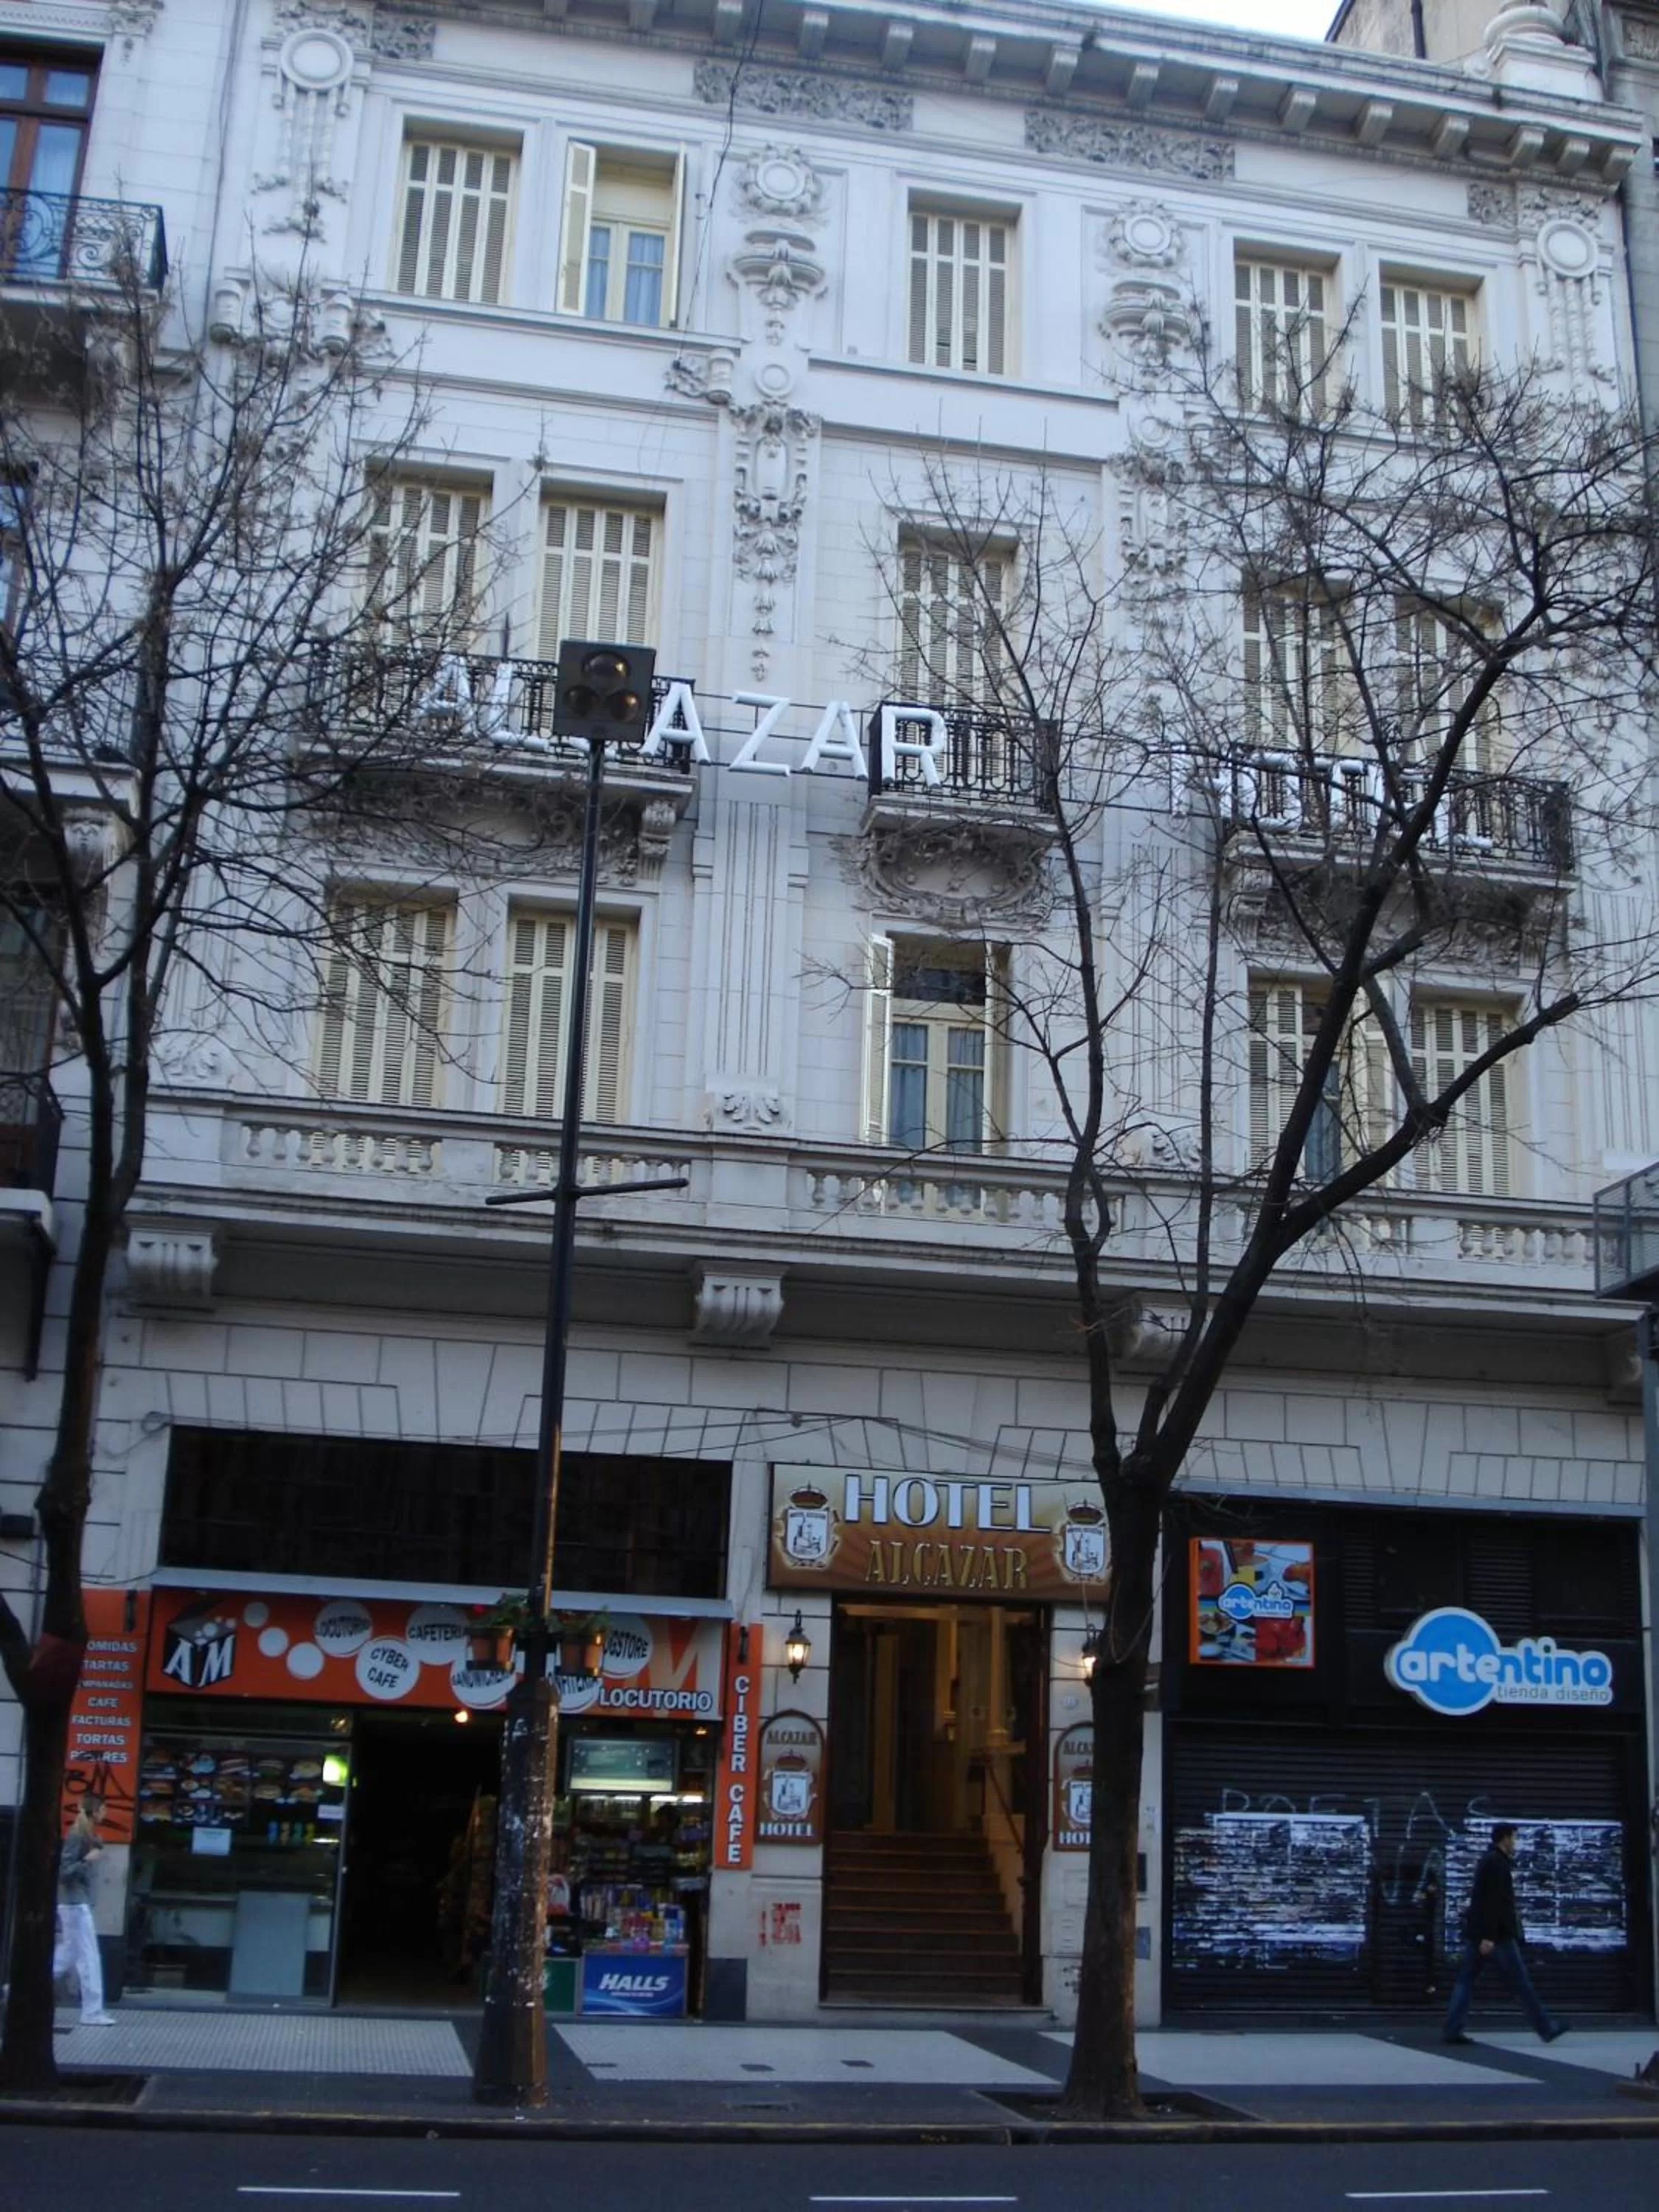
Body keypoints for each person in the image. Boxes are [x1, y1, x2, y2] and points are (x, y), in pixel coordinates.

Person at [1443, 1820, 1564, 2047]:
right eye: (1514, 1838)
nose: (1515, 1843)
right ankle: (1547, 2028)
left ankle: (1452, 2029)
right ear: (1505, 1839)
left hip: (1483, 1934)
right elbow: (1493, 1903)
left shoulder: (1490, 1861)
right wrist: (1488, 1937)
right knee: (1521, 1983)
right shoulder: (1497, 1863)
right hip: (1497, 1937)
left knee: (1466, 1980)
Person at [54, 1795, 116, 2026]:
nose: (106, 1813)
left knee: (67, 1955)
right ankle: (91, 2012)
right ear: (95, 1811)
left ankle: (19, 1987)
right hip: (75, 1903)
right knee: (89, 1957)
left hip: (75, 1902)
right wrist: (88, 1861)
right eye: (103, 1809)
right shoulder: (77, 1835)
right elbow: (65, 1871)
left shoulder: (84, 1834)